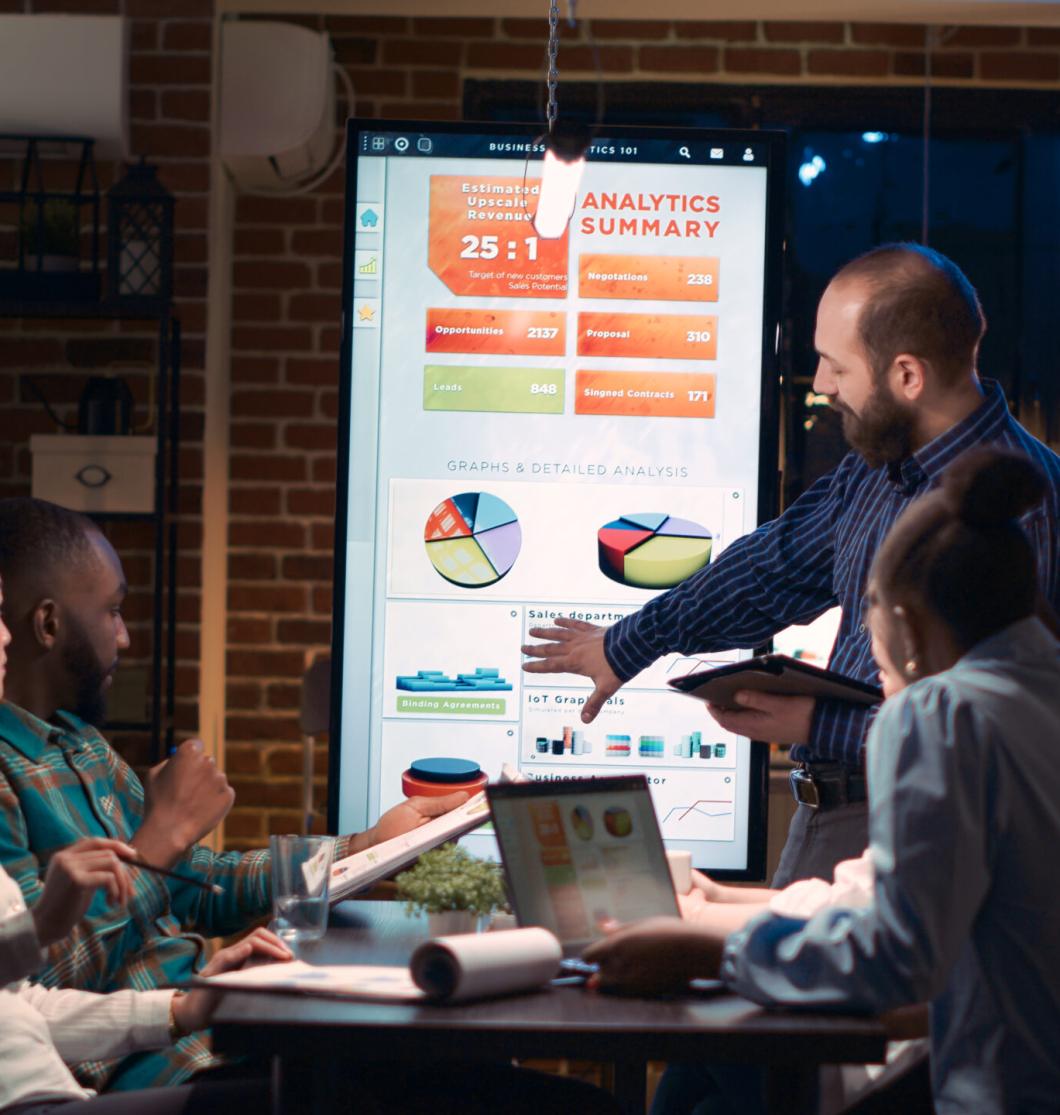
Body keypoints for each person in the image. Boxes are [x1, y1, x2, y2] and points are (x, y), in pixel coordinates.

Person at [523, 243, 1060, 889]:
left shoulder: (1021, 508)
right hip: (830, 816)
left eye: (835, 365)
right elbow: (769, 569)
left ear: (907, 375)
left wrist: (813, 722)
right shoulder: (876, 469)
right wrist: (627, 644)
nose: (823, 384)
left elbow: (997, 737)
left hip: (928, 827)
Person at [585, 449, 1060, 1114]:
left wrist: (709, 951)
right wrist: (720, 903)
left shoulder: (937, 714)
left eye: (865, 607)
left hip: (991, 1092)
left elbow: (895, 954)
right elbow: (884, 895)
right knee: (701, 1083)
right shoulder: (1032, 693)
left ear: (907, 624)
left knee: (704, 1076)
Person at [0, 499, 467, 1092]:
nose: (126, 634)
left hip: (213, 1020)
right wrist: (159, 841)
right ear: (48, 624)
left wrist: (369, 846)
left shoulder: (82, 744)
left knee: (449, 1067)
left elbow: (208, 887)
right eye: (113, 611)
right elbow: (27, 981)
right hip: (148, 1068)